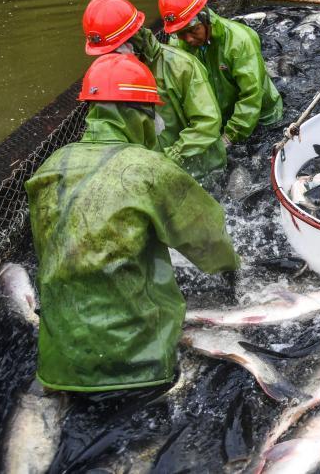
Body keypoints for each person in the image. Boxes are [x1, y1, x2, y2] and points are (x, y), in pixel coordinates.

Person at [26, 53, 240, 392]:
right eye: (152, 112)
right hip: (139, 363)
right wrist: (234, 271)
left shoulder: (51, 167)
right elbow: (208, 240)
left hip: (58, 365)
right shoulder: (148, 168)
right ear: (138, 114)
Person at [83, 0, 226, 180]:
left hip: (201, 170)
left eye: (116, 51)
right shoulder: (108, 79)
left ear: (135, 38)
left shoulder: (180, 66)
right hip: (153, 177)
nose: (112, 58)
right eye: (106, 53)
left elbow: (208, 122)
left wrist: (171, 158)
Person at [162, 0, 284, 144]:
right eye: (180, 33)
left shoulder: (239, 42)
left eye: (193, 30)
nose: (188, 39)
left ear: (205, 18)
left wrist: (228, 138)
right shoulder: (178, 46)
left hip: (262, 118)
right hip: (221, 119)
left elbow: (251, 96)